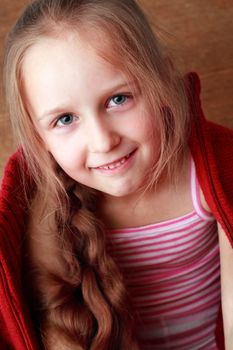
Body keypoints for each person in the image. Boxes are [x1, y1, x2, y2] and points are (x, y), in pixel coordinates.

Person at [0, 0, 233, 349]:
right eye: (65, 119)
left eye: (118, 99)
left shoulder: (211, 173)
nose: (103, 140)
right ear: (38, 138)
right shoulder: (39, 215)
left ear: (163, 83)